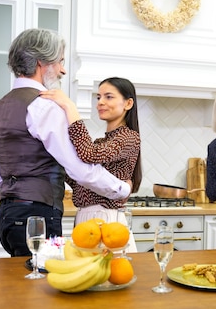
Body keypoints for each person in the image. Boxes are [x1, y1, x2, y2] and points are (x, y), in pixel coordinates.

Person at [0, 28, 131, 257]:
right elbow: (79, 168)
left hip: (7, 217)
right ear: (42, 62)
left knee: (21, 287)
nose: (63, 70)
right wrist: (121, 189)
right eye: (60, 61)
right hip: (37, 217)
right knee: (42, 287)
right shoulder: (44, 107)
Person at [40, 77, 142, 252]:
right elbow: (79, 178)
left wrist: (69, 107)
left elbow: (88, 153)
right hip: (88, 220)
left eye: (108, 97)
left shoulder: (129, 137)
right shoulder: (102, 141)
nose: (100, 102)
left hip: (106, 221)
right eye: (98, 97)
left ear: (128, 103)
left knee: (108, 275)